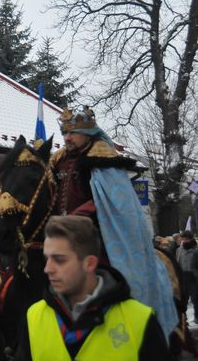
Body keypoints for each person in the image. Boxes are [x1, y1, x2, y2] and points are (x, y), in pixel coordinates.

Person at [49, 105, 177, 337]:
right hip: (59, 234)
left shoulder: (102, 159)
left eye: (72, 133)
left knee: (120, 272)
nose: (67, 138)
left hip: (99, 232)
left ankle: (131, 320)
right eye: (64, 132)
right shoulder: (58, 160)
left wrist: (79, 216)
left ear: (87, 133)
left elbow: (115, 202)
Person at [15, 214, 171, 360]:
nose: (47, 268)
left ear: (89, 263)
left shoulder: (139, 320)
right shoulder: (34, 316)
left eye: (59, 260)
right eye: (47, 258)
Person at [177, 230, 198, 323]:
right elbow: (178, 262)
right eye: (183, 239)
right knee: (182, 299)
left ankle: (197, 317)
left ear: (191, 239)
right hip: (182, 276)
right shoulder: (179, 250)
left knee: (196, 299)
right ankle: (183, 318)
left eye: (186, 239)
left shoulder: (196, 250)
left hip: (193, 277)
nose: (184, 241)